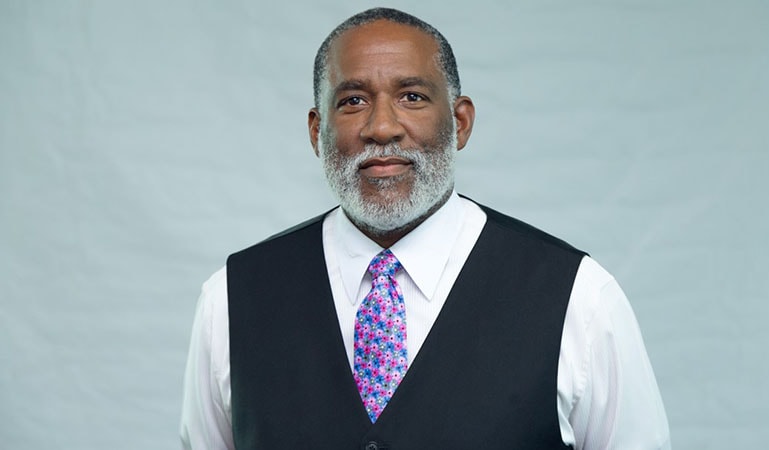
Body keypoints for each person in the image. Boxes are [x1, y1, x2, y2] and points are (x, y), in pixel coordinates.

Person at [180, 7, 670, 450]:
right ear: (316, 132)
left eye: (412, 96)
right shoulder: (231, 298)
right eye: (352, 101)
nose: (382, 127)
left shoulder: (579, 299)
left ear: (460, 123)